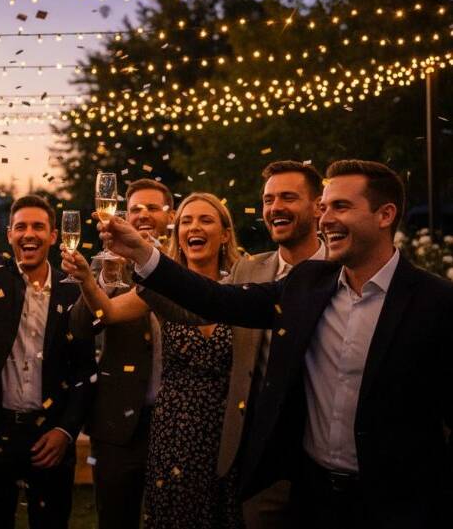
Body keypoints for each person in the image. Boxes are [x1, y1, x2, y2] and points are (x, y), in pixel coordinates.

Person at [99, 160, 453, 529]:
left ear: (385, 215)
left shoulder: (436, 303)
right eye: (325, 207)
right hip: (313, 495)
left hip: (398, 505)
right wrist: (142, 254)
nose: (326, 219)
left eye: (341, 207)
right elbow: (217, 300)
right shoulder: (309, 283)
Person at [64, 193, 244, 529]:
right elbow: (107, 312)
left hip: (228, 428)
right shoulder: (163, 285)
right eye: (188, 221)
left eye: (205, 220)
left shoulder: (244, 285)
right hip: (173, 428)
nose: (195, 227)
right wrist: (88, 278)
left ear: (225, 234)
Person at [0, 179, 97, 529]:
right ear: (10, 235)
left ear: (54, 236)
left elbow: (84, 369)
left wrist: (66, 431)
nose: (29, 234)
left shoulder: (73, 290)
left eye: (38, 227)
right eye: (21, 227)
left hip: (50, 435)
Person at [215, 161, 325, 529]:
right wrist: (145, 262)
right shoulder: (248, 270)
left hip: (327, 460)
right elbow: (203, 302)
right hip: (260, 458)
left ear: (318, 206)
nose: (275, 207)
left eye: (288, 197)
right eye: (268, 200)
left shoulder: (343, 270)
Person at [67, 178, 174, 529]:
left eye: (153, 208)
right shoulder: (112, 263)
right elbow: (81, 328)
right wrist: (102, 279)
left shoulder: (186, 264)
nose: (143, 215)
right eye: (135, 209)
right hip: (119, 424)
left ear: (171, 216)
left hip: (177, 422)